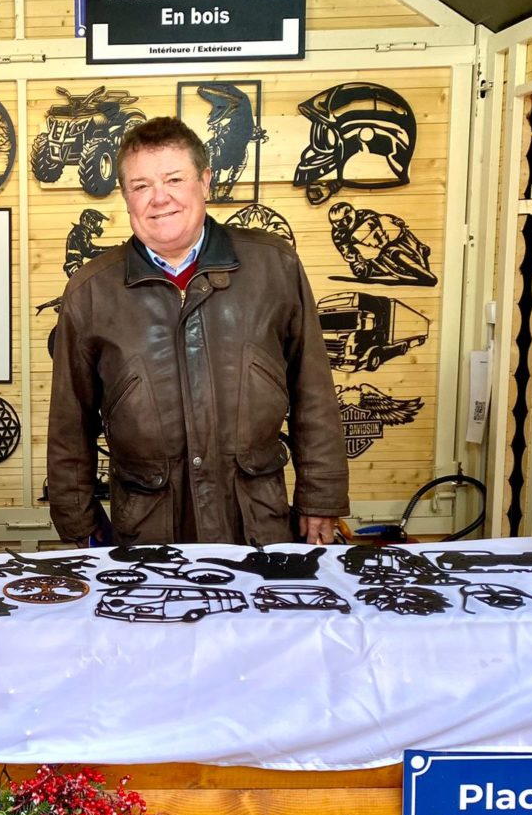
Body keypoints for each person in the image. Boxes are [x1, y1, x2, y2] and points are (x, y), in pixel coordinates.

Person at [47, 116, 348, 548]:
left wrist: (321, 495)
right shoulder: (92, 289)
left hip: (257, 520)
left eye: (174, 178)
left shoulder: (274, 266)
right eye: (141, 185)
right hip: (148, 526)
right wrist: (77, 520)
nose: (159, 198)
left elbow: (313, 392)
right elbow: (69, 421)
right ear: (126, 196)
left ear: (205, 181)